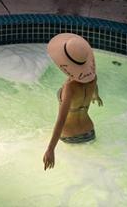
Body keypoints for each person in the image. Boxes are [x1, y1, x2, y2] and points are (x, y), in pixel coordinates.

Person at [43, 33, 103, 170]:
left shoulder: (70, 88)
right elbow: (94, 86)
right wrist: (95, 96)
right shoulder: (93, 78)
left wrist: (50, 149)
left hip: (69, 137)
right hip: (89, 132)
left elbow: (61, 120)